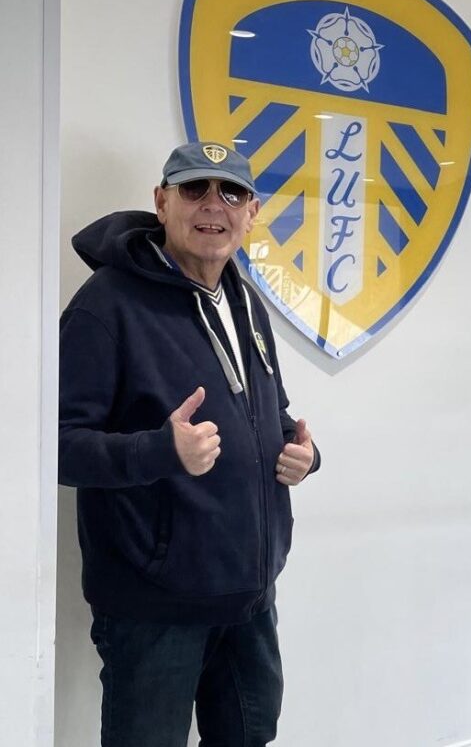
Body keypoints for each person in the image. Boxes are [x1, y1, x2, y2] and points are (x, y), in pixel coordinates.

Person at [58, 141, 321, 747]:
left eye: (231, 192)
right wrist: (160, 451)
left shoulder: (245, 300)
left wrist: (301, 454)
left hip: (249, 598)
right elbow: (56, 445)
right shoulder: (107, 305)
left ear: (252, 211)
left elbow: (266, 414)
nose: (213, 204)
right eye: (194, 188)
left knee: (249, 737)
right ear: (161, 202)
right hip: (154, 609)